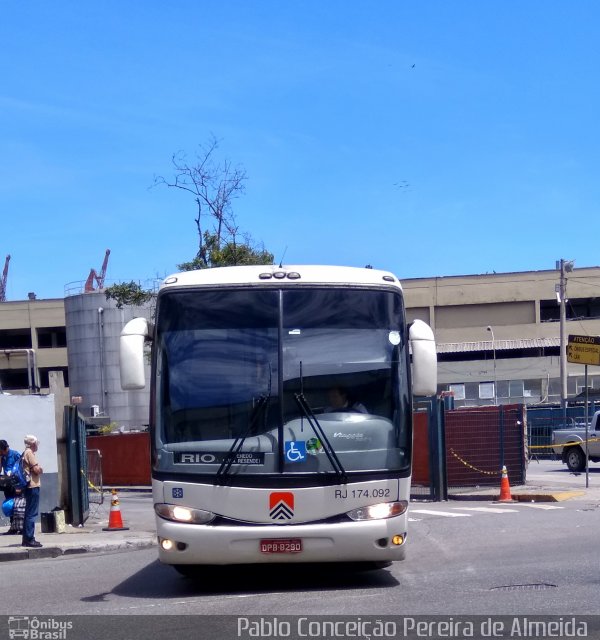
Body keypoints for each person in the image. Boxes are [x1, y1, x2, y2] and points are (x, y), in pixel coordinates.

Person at [21, 435, 43, 548]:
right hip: (32, 486)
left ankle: (26, 539)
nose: (37, 445)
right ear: (33, 444)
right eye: (36, 443)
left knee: (28, 513)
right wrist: (41, 469)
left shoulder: (25, 452)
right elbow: (36, 469)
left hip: (29, 486)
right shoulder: (29, 453)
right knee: (31, 513)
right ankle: (30, 539)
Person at [0, 440, 22, 535]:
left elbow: (22, 467)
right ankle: (13, 527)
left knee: (18, 506)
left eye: (1, 451)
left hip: (16, 484)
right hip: (7, 484)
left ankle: (21, 528)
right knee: (10, 505)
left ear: (5, 449)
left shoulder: (15, 454)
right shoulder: (2, 457)